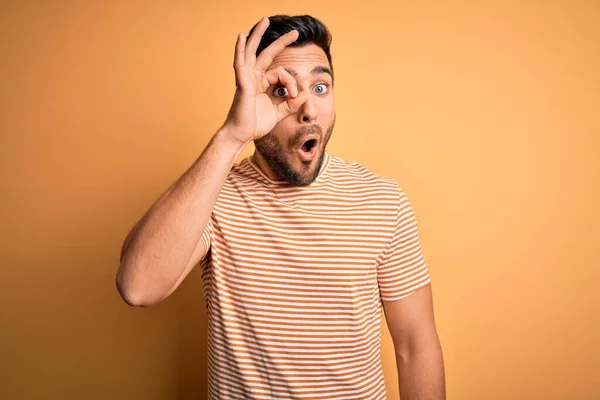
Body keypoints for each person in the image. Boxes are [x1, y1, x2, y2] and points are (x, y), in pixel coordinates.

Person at [116, 14, 446, 400]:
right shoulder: (213, 197)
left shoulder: (383, 201)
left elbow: (415, 347)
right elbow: (137, 287)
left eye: (321, 87)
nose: (308, 109)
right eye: (282, 92)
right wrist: (232, 135)